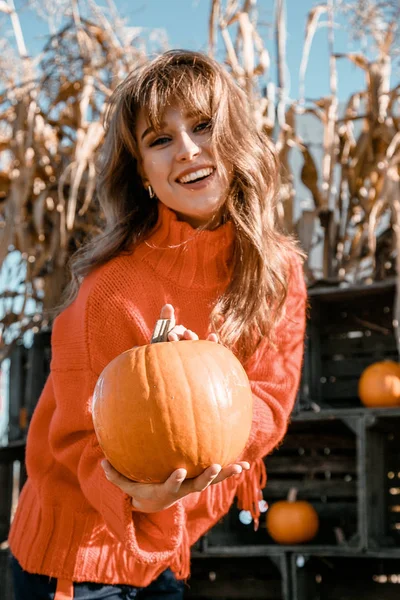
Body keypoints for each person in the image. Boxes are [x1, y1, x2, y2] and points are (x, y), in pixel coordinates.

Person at [8, 49, 307, 599]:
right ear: (142, 172)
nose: (188, 150)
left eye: (202, 125)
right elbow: (77, 436)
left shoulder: (276, 271)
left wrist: (212, 388)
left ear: (236, 135)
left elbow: (270, 400)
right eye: (159, 139)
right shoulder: (111, 290)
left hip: (167, 547)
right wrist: (135, 493)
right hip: (78, 553)